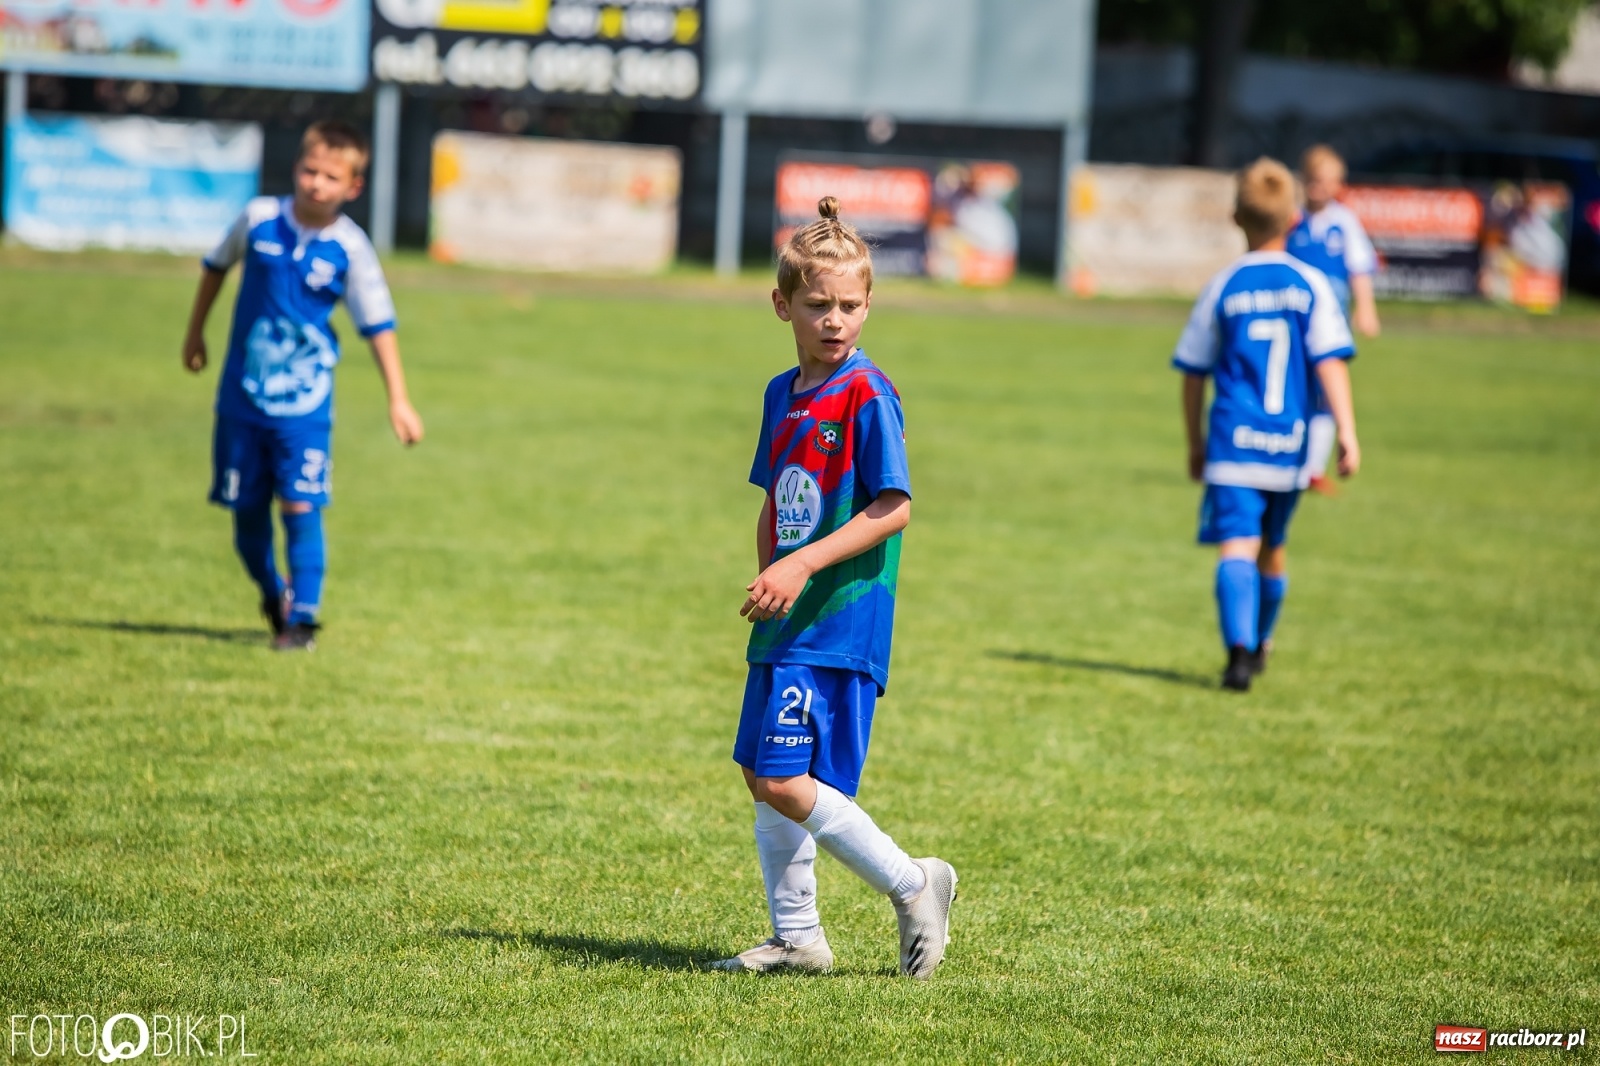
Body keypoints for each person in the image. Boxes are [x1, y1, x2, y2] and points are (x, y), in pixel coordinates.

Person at [711, 197, 957, 977]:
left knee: (787, 778)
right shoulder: (780, 394)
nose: (835, 320)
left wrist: (803, 565)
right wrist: (771, 573)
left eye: (850, 305)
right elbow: (776, 499)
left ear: (869, 306)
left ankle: (914, 883)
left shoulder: (868, 394)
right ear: (782, 304)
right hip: (788, 619)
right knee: (760, 773)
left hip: (841, 620)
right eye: (819, 304)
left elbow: (895, 507)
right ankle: (798, 938)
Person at [181, 120, 423, 651]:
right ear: (296, 168)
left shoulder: (350, 248)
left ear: (353, 187)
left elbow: (377, 324)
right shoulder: (259, 219)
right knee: (246, 518)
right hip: (242, 401)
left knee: (300, 505)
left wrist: (399, 399)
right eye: (310, 171)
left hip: (305, 408)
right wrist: (195, 332)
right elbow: (215, 267)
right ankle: (274, 593)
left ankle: (304, 620)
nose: (317, 183)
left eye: (331, 177)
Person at [1173, 158, 1362, 691]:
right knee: (1272, 548)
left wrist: (1195, 442)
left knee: (1237, 545)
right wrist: (1347, 432)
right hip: (1290, 442)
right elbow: (1330, 362)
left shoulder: (1224, 286)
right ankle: (1260, 643)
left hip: (1233, 440)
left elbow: (1193, 373)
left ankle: (1238, 654)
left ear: (1236, 217)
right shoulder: (1312, 284)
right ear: (1295, 219)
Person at [1287, 144, 1379, 496]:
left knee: (1327, 394)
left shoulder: (1344, 222)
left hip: (1330, 323)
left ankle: (1312, 470)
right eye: (1314, 179)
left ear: (1339, 184)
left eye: (1328, 181)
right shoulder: (1292, 220)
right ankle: (1290, 461)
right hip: (1294, 322)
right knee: (1296, 389)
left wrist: (1365, 308)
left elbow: (1360, 268)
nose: (1320, 187)